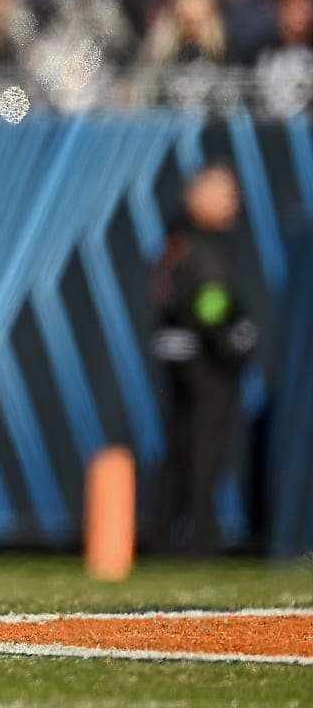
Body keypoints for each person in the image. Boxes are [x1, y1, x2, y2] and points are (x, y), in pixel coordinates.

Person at [150, 163, 258, 555]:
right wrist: (234, 339)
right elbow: (210, 301)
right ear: (199, 195)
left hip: (179, 353)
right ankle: (196, 537)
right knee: (204, 446)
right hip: (205, 360)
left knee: (182, 445)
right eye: (224, 191)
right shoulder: (198, 242)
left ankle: (168, 534)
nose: (234, 200)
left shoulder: (175, 237)